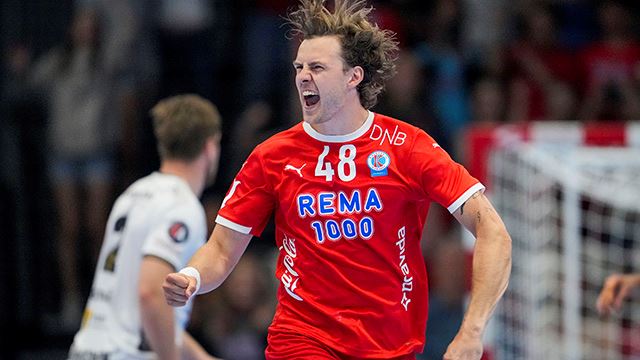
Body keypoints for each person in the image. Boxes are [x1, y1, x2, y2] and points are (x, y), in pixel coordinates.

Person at [163, 1, 512, 359]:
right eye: (299, 67)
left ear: (353, 76)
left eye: (317, 67)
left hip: (390, 345)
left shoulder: (407, 147)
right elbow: (222, 250)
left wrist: (472, 330)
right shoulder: (272, 156)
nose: (302, 76)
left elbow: (492, 231)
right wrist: (193, 275)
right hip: (301, 341)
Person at [68, 94, 221, 360]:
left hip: (86, 350)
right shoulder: (182, 207)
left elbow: (148, 316)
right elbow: (150, 294)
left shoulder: (133, 194)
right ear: (210, 147)